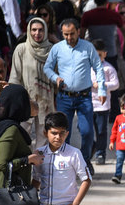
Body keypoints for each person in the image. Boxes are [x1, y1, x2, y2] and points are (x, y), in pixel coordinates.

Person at [43, 18, 106, 173]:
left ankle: (85, 161)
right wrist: (55, 78)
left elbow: (98, 67)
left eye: (72, 34)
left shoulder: (88, 47)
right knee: (63, 131)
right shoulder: (57, 48)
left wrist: (102, 89)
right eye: (65, 34)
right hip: (64, 97)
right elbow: (47, 67)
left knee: (87, 131)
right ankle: (66, 162)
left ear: (79, 31)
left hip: (84, 97)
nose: (69, 37)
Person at [9, 17, 54, 146]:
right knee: (23, 134)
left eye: (40, 30)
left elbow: (57, 75)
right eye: (33, 30)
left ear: (45, 31)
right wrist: (17, 100)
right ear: (29, 31)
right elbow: (15, 77)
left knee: (44, 136)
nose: (37, 33)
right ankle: (26, 164)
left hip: (46, 100)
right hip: (25, 99)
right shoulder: (21, 49)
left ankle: (41, 166)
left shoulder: (52, 50)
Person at [90, 39, 119, 165]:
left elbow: (116, 84)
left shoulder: (108, 68)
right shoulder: (87, 67)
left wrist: (102, 85)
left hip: (102, 106)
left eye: (99, 55)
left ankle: (101, 153)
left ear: (105, 54)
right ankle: (92, 146)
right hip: (88, 104)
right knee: (85, 129)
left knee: (101, 131)